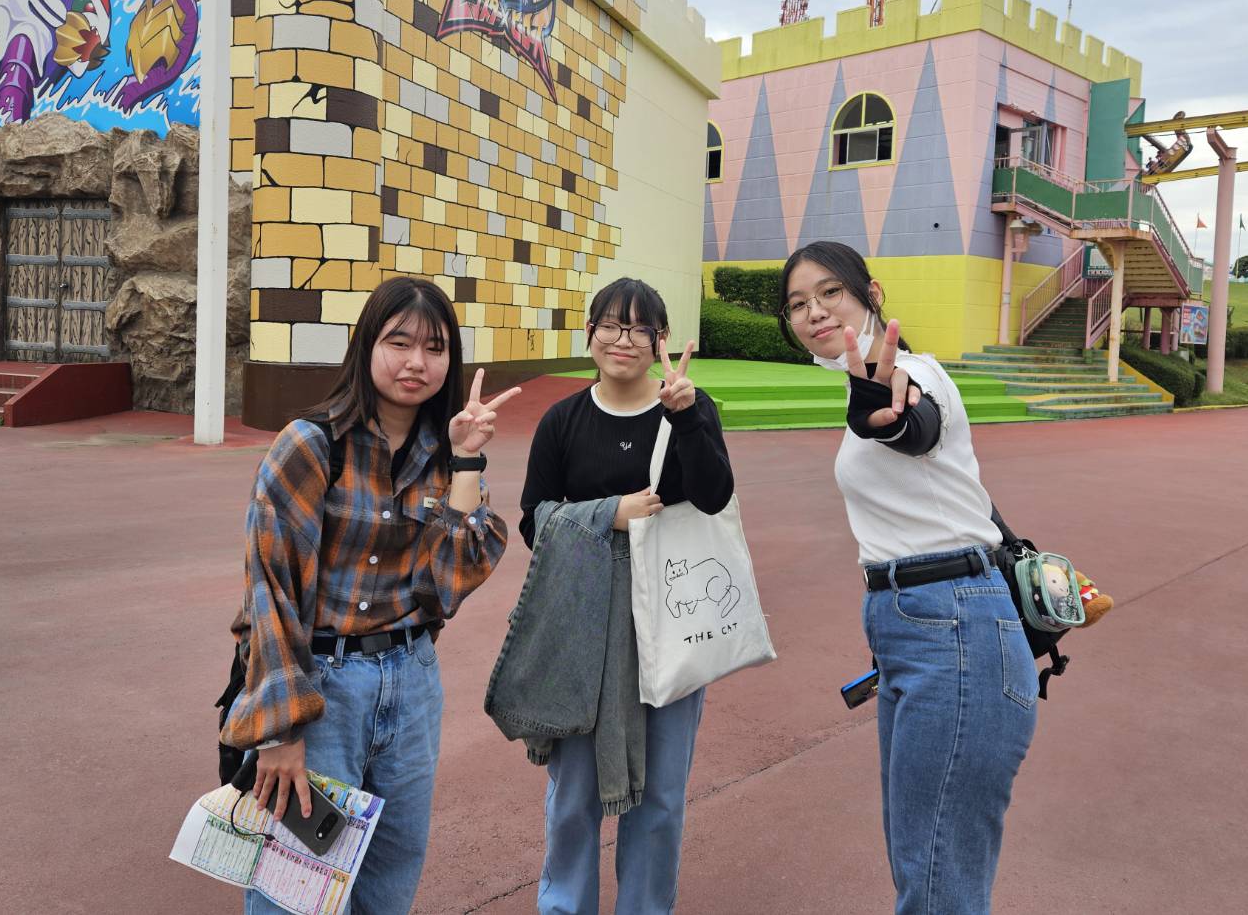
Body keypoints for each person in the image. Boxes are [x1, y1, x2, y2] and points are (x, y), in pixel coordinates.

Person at [221, 277, 520, 915]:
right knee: (296, 885)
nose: (417, 362)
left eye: (435, 348)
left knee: (390, 876)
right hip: (321, 689)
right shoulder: (311, 444)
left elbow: (447, 585)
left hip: (411, 682)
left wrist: (467, 463)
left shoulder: (447, 455)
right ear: (366, 346)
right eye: (399, 342)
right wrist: (279, 731)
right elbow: (269, 592)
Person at [777, 241, 1038, 915]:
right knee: (922, 863)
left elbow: (914, 424)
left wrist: (885, 418)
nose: (813, 312)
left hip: (952, 626)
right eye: (797, 304)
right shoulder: (864, 386)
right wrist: (866, 406)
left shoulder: (914, 373)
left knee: (934, 876)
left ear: (871, 294)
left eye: (829, 292)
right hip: (916, 625)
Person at [518, 277, 735, 915]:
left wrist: (688, 418)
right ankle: (566, 906)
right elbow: (533, 521)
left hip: (672, 618)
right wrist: (608, 514)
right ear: (590, 333)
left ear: (660, 340)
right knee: (573, 792)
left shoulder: (690, 407)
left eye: (641, 329)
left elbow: (715, 496)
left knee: (662, 795)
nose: (624, 340)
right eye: (611, 325)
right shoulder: (563, 420)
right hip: (582, 623)